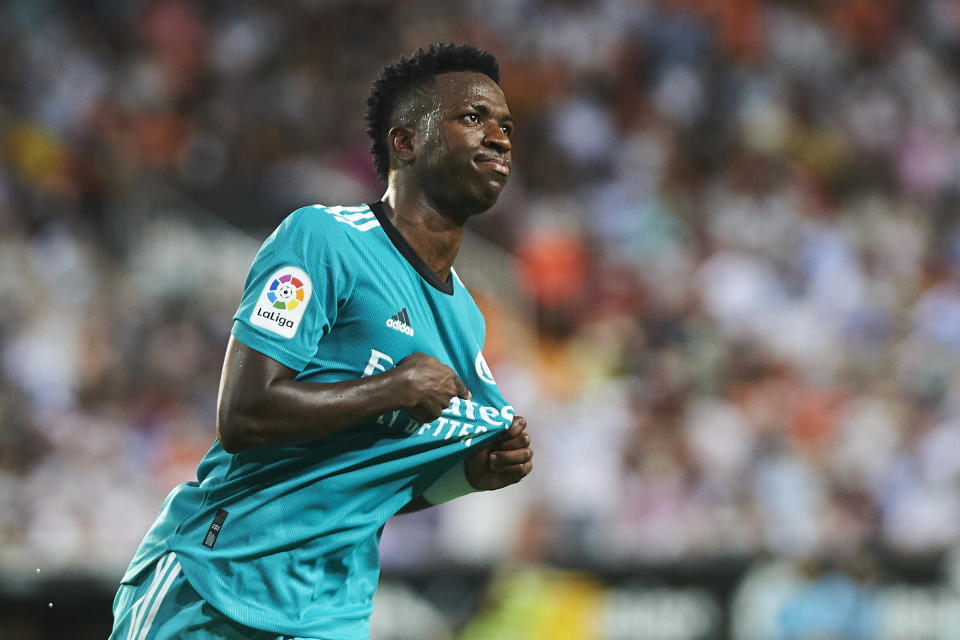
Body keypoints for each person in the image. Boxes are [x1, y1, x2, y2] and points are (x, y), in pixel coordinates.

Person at [110, 42, 533, 640]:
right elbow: (244, 414)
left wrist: (470, 472)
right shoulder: (325, 239)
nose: (499, 136)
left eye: (506, 125)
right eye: (473, 118)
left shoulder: (466, 317)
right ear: (405, 142)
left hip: (330, 614)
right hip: (217, 583)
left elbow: (372, 482)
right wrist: (395, 386)